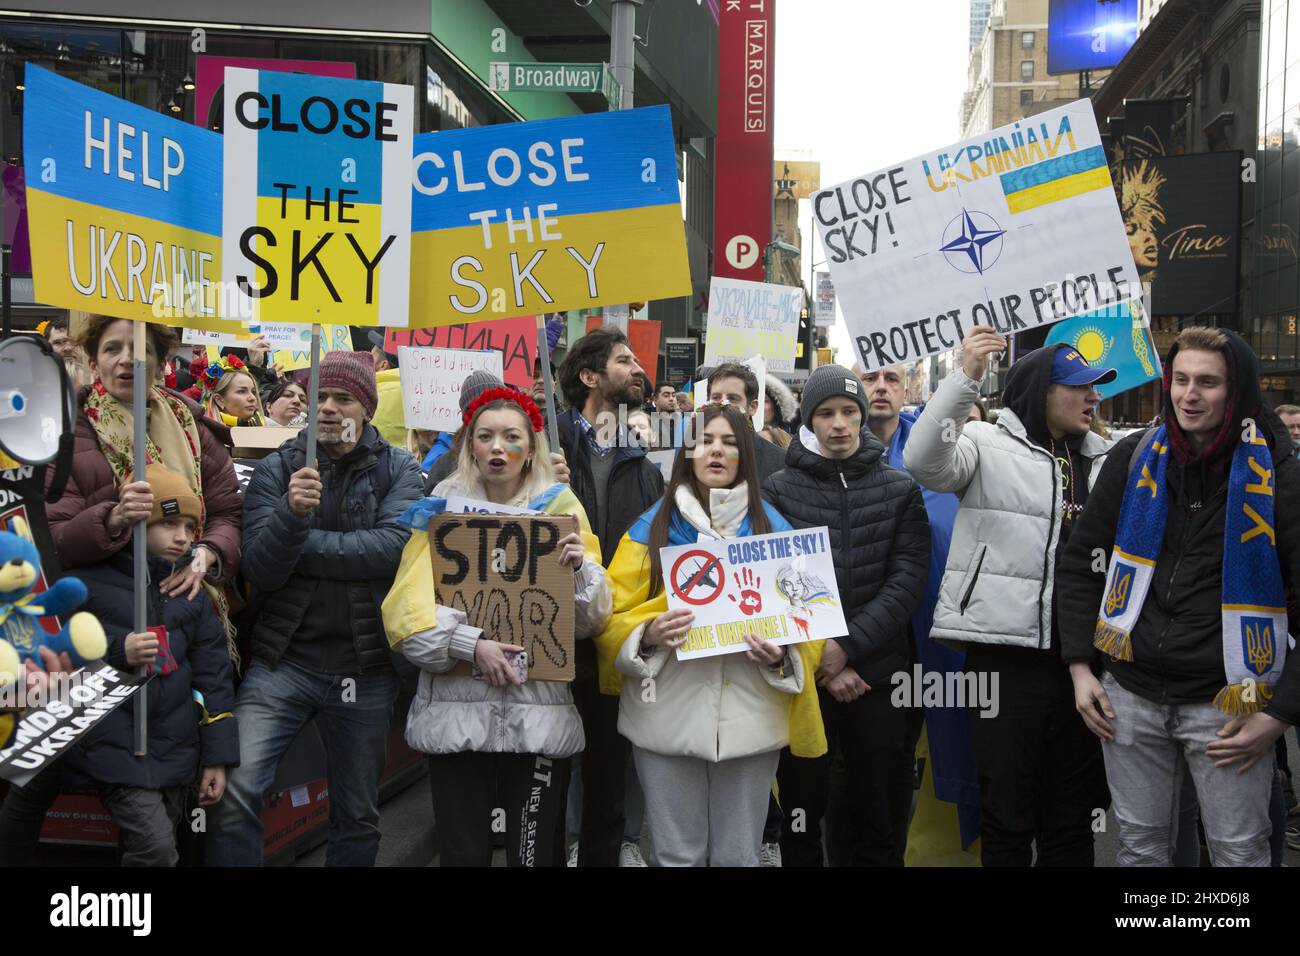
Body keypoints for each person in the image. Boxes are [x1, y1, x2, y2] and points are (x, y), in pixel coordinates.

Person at [1057, 328, 1300, 866]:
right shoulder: (1136, 456)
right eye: (1181, 380)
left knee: (1238, 853)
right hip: (1130, 696)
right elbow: (1079, 564)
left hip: (1227, 707)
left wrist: (1277, 716)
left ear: (1238, 391)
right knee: (1140, 849)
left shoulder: (1281, 476)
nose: (1189, 395)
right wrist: (1080, 668)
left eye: (1208, 383)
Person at [903, 329, 1117, 867]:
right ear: (1041, 391)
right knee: (1007, 815)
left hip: (1084, 666)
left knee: (1073, 817)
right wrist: (965, 376)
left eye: (1096, 387)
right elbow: (923, 459)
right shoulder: (984, 442)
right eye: (1079, 387)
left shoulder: (1108, 460)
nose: (1093, 397)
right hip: (1004, 661)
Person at [206, 351, 423, 866]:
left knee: (356, 812)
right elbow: (260, 568)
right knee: (235, 791)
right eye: (320, 395)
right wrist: (289, 514)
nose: (327, 407)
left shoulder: (401, 470)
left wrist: (304, 544)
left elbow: (390, 549)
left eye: (343, 398)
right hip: (284, 664)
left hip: (365, 670)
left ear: (366, 407)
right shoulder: (279, 469)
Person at [382, 388, 610, 866]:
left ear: (531, 449)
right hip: (455, 719)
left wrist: (578, 572)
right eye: (485, 436)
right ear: (470, 447)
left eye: (511, 436)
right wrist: (471, 645)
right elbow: (408, 613)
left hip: (538, 719)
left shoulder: (560, 508)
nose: (497, 447)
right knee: (463, 853)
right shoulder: (441, 508)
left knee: (533, 855)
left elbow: (593, 621)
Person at [596, 403, 823, 865]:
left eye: (730, 442)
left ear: (747, 455)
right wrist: (648, 632)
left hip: (751, 721)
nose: (716, 450)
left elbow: (810, 625)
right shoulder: (648, 529)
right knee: (675, 855)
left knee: (738, 856)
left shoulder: (775, 531)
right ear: (686, 451)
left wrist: (782, 654)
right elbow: (609, 615)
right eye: (704, 440)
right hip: (664, 719)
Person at [762, 365, 931, 866]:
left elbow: (906, 582)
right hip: (807, 683)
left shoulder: (900, 489)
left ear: (862, 416)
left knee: (878, 820)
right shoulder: (777, 490)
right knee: (802, 821)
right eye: (827, 413)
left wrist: (847, 648)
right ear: (809, 420)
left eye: (849, 412)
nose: (839, 423)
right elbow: (778, 584)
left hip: (879, 681)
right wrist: (825, 659)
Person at [57, 465, 239, 866]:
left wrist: (217, 758)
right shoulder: (87, 583)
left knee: (151, 846)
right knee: (155, 849)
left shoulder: (192, 596)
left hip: (175, 750)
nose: (182, 538)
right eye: (169, 522)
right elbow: (60, 653)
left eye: (191, 528)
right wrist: (119, 650)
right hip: (115, 747)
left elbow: (214, 679)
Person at [852, 361, 980, 865]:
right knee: (868, 776)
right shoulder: (829, 452)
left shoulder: (937, 455)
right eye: (869, 379)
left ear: (907, 388)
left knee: (940, 761)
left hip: (937, 642)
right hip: (864, 649)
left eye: (890, 379)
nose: (880, 388)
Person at [555, 324, 664, 867]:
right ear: (590, 376)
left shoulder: (644, 466)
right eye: (625, 361)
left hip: (615, 635)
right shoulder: (543, 443)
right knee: (548, 772)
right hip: (548, 633)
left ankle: (604, 849)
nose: (638, 369)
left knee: (608, 764)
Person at [50, 316, 242, 592]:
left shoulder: (194, 429)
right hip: (107, 609)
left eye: (141, 350)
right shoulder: (65, 434)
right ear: (94, 364)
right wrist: (113, 519)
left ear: (160, 364)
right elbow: (54, 538)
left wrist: (203, 557)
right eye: (112, 349)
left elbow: (227, 514)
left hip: (188, 602)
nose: (127, 359)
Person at [422, 369, 506, 494]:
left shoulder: (523, 456)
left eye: (499, 405)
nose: (492, 415)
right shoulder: (446, 467)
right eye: (483, 408)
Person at [705, 363, 786, 483]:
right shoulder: (693, 453)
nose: (723, 404)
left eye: (732, 398)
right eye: (716, 397)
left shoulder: (779, 461)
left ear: (752, 407)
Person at [200, 354, 266, 427]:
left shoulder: (270, 428)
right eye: (242, 391)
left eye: (253, 392)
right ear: (219, 400)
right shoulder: (203, 434)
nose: (252, 398)